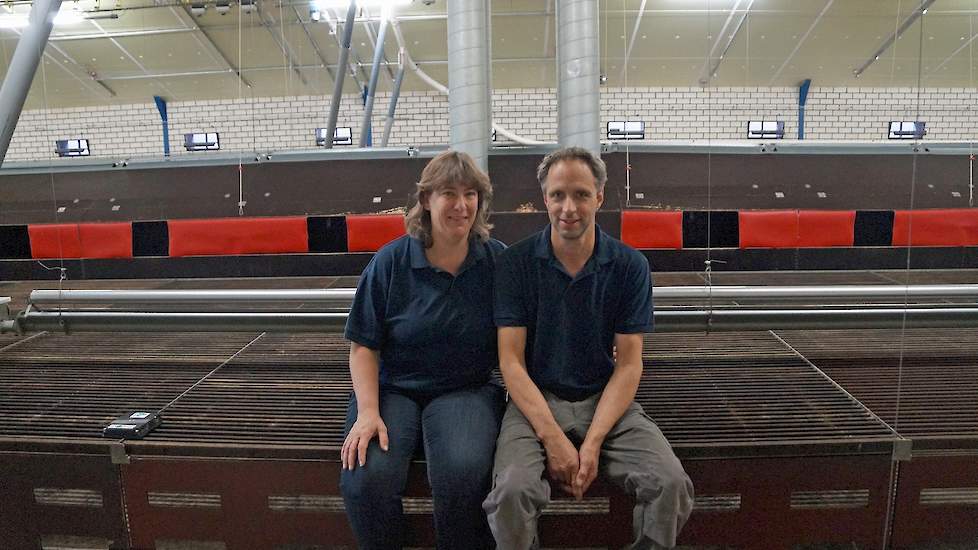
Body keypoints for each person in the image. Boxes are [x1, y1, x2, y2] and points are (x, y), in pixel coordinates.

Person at [482, 147, 694, 550]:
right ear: (544, 198)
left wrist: (592, 441)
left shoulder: (629, 267)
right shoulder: (516, 265)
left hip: (606, 399)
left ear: (599, 197)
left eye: (581, 194)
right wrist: (553, 439)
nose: (569, 207)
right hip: (535, 402)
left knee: (670, 485)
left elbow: (629, 366)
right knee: (511, 493)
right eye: (558, 194)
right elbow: (510, 361)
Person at [340, 150, 505, 550]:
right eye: (449, 193)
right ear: (426, 200)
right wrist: (367, 413)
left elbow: (528, 328)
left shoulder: (497, 261)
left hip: (465, 389)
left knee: (465, 474)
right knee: (366, 479)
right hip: (393, 389)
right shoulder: (391, 263)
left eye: (471, 194)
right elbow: (363, 345)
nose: (461, 205)